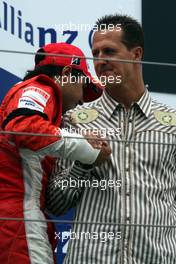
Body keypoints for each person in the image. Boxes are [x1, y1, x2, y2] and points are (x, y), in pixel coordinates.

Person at [46, 15, 176, 264]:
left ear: (136, 54)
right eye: (95, 53)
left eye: (110, 51)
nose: (100, 61)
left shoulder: (171, 123)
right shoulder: (75, 121)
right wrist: (84, 162)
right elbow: (56, 203)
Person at [0, 42, 111, 264]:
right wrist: (87, 149)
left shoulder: (40, 99)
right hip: (16, 218)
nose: (81, 99)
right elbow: (23, 126)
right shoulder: (41, 87)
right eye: (83, 87)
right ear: (67, 73)